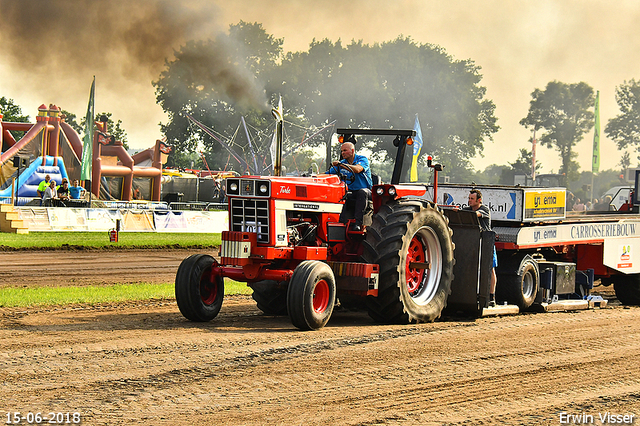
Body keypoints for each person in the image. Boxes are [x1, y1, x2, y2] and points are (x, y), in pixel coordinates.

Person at [327, 141, 372, 231]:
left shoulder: (362, 159)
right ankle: (339, 223)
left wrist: (341, 165)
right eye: (342, 151)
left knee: (361, 192)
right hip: (349, 192)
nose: (342, 153)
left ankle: (358, 223)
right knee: (342, 195)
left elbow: (358, 169)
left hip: (365, 192)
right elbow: (328, 174)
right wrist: (313, 176)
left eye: (345, 150)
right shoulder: (342, 163)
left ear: (352, 150)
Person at [464, 189, 498, 307]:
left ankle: (491, 296)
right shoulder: (467, 209)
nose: (469, 201)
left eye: (472, 199)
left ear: (479, 200)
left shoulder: (484, 210)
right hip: (474, 243)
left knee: (490, 269)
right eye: (468, 198)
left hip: (487, 243)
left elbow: (476, 215)